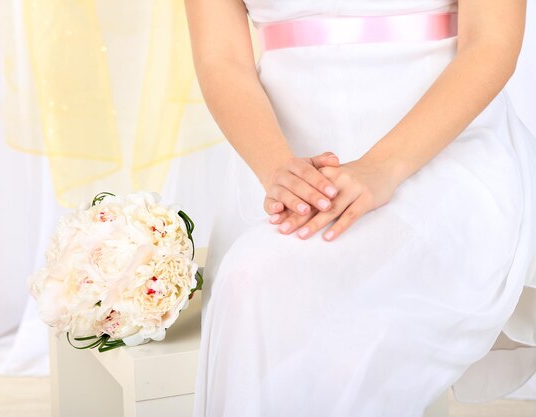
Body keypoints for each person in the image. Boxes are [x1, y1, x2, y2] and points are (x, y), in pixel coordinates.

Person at [184, 0, 536, 416]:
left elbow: (491, 43)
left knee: (269, 279)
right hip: (284, 159)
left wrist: (382, 167)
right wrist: (279, 169)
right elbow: (220, 58)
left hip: (441, 154)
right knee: (251, 279)